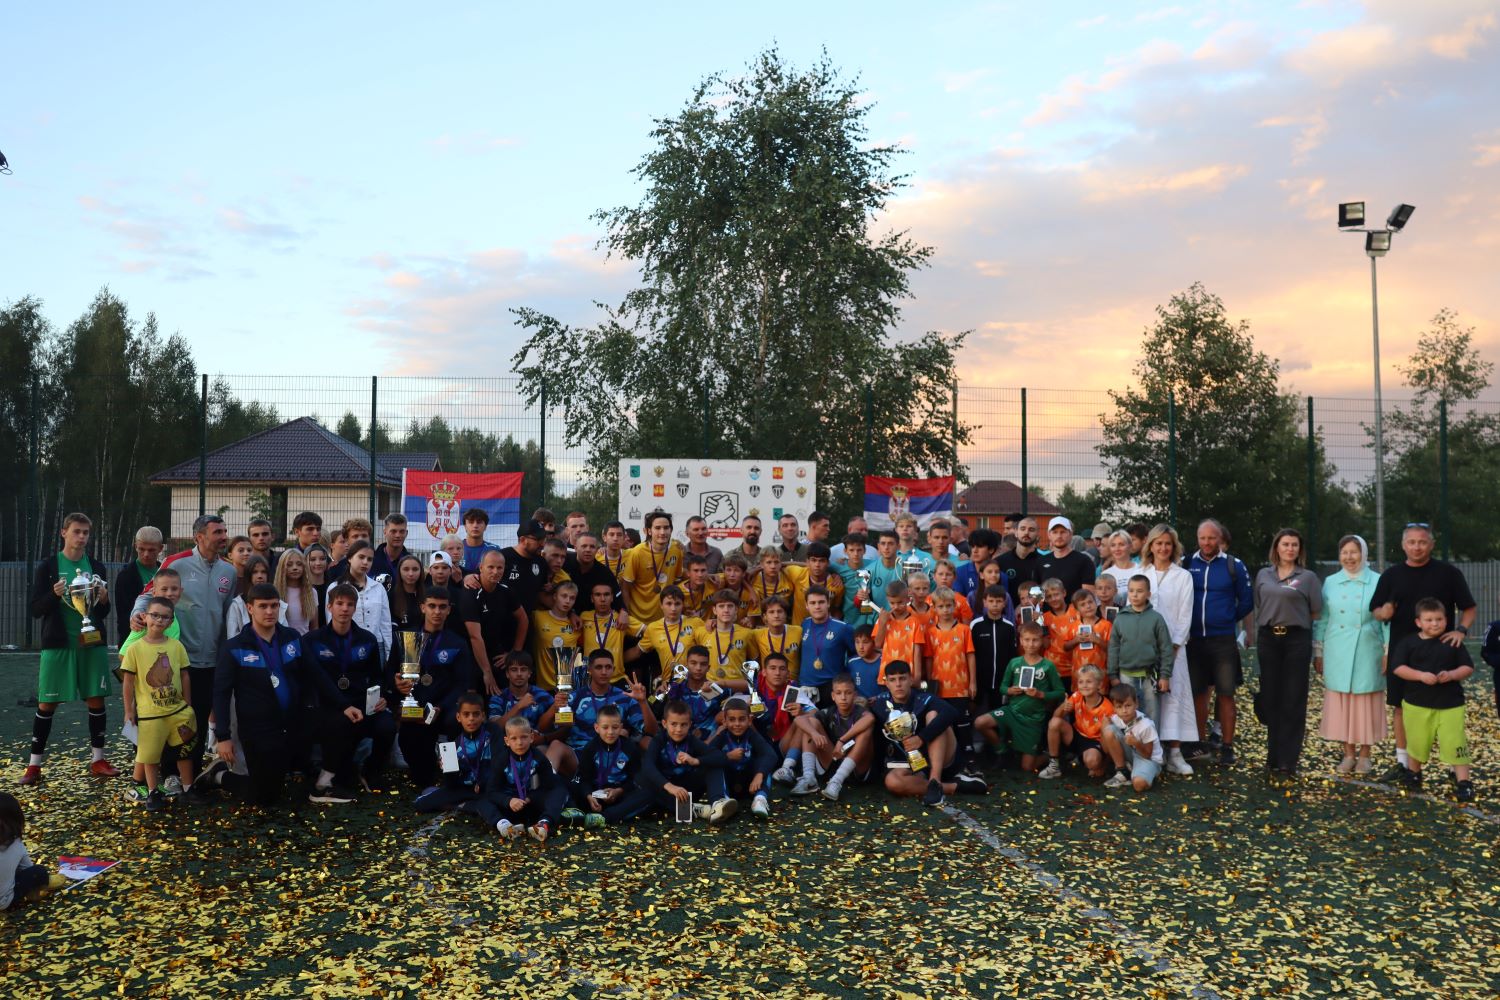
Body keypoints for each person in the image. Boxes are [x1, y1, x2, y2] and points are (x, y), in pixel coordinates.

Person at [1370, 522, 1476, 783]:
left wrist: (1461, 631)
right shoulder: (1391, 575)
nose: (1417, 547)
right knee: (1400, 707)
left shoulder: (1449, 573)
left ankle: (1453, 768)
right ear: (1403, 545)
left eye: (1422, 542)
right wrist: (1384, 612)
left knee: (1446, 710)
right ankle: (1405, 764)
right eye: (1411, 542)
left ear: (1431, 544)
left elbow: (1469, 607)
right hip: (1403, 654)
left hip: (1442, 655)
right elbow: (1376, 610)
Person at [23, 513, 118, 785]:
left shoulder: (96, 566)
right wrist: (53, 595)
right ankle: (34, 766)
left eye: (86, 532)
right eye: (77, 531)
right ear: (64, 532)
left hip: (91, 643)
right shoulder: (48, 566)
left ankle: (98, 760)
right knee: (47, 703)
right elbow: (35, 609)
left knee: (96, 699)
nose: (82, 537)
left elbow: (103, 611)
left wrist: (104, 599)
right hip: (58, 645)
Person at [200, 584, 307, 806]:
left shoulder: (292, 638)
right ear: (250, 608)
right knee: (262, 798)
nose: (269, 611)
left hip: (289, 725)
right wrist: (223, 736)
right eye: (263, 606)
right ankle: (220, 776)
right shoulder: (234, 647)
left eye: (274, 606)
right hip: (256, 730)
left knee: (276, 789)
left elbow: (311, 675)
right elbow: (221, 693)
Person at [157, 514, 236, 776]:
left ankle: (192, 775)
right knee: (174, 717)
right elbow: (148, 594)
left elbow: (227, 615)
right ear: (199, 537)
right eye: (217, 532)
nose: (224, 536)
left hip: (211, 660)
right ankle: (169, 774)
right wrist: (137, 615)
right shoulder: (176, 563)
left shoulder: (229, 571)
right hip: (178, 659)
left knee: (199, 719)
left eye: (224, 531)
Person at [305, 583, 396, 801]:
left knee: (387, 725)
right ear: (329, 607)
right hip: (329, 705)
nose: (344, 609)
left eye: (350, 604)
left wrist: (381, 697)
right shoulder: (312, 640)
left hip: (361, 703)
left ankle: (370, 771)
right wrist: (343, 705)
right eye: (339, 603)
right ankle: (328, 780)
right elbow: (318, 680)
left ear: (355, 608)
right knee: (342, 723)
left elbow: (376, 676)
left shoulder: (367, 639)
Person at [1250, 529, 1323, 777]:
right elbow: (1260, 603)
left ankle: (1287, 761)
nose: (1290, 549)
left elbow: (1315, 611)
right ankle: (1272, 756)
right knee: (1271, 698)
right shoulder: (1264, 575)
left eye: (1294, 545)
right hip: (1269, 638)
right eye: (1285, 544)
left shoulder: (1308, 577)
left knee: (1293, 699)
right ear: (1277, 548)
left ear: (1299, 549)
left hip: (1296, 640)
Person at [1314, 536, 1388, 774]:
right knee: (1343, 701)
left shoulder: (1378, 581)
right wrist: (1319, 651)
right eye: (1344, 552)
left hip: (1368, 647)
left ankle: (1365, 755)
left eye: (1354, 552)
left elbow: (1386, 621)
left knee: (1365, 702)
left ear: (1364, 554)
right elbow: (1323, 618)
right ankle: (1348, 754)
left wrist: (1387, 650)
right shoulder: (1330, 582)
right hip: (1337, 648)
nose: (1349, 557)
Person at [1183, 519, 1253, 766]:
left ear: (1219, 539)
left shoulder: (1234, 565)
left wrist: (1226, 619)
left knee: (1225, 694)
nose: (1207, 542)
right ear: (1197, 538)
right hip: (1194, 640)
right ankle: (1200, 743)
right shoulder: (1187, 563)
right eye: (1202, 538)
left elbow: (1247, 600)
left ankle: (1227, 746)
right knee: (1198, 694)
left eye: (1211, 538)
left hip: (1223, 641)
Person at [1390, 599, 1475, 801]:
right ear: (1418, 622)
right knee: (1417, 741)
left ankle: (1464, 782)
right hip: (1417, 704)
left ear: (1446, 620)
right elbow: (1398, 668)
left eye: (1439, 619)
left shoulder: (1453, 642)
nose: (1435, 623)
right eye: (1429, 620)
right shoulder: (1408, 643)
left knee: (1455, 742)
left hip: (1451, 705)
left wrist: (1452, 675)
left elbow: (1467, 667)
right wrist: (1420, 676)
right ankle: (1414, 774)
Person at [119, 596, 199, 811]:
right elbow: (128, 682)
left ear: (171, 622)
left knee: (184, 751)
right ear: (145, 617)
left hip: (177, 711)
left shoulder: (176, 646)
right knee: (150, 755)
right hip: (150, 715)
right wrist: (128, 711)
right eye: (154, 615)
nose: (159, 620)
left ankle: (188, 788)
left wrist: (188, 704)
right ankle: (153, 792)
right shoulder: (135, 649)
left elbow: (184, 675)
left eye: (165, 617)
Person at [388, 588, 471, 789]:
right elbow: (389, 673)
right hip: (415, 706)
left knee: (454, 723)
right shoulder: (407, 638)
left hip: (444, 707)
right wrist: (396, 683)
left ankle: (451, 774)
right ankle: (425, 773)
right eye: (432, 606)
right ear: (423, 607)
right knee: (415, 759)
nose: (437, 611)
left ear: (449, 610)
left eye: (442, 607)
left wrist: (441, 706)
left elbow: (463, 683)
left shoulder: (457, 642)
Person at [869, 660, 984, 805]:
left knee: (934, 715)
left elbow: (951, 712)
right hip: (914, 765)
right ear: (886, 683)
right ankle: (955, 786)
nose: (898, 684)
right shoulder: (880, 703)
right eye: (893, 680)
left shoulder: (923, 698)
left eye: (902, 678)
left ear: (911, 680)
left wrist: (921, 738)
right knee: (892, 782)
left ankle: (935, 780)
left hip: (941, 760)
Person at [1141, 524, 1198, 775]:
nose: (1163, 548)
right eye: (1159, 543)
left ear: (1174, 547)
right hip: (1144, 649)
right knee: (1148, 698)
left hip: (1174, 649)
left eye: (1168, 544)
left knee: (1174, 697)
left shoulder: (1183, 576)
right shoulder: (1141, 573)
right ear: (1151, 546)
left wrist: (1173, 646)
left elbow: (1186, 614)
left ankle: (1175, 754)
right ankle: (1150, 753)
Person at [975, 621, 1064, 773]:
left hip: (1033, 720)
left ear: (1042, 641)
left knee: (1027, 768)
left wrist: (1040, 694)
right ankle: (1002, 751)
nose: (1031, 644)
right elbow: (1002, 688)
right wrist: (1010, 690)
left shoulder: (1048, 666)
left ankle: (1048, 755)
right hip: (1012, 712)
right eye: (1027, 640)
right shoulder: (1014, 663)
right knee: (980, 722)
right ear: (1021, 641)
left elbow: (1060, 692)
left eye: (1035, 640)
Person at [639, 700, 738, 824]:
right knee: (645, 778)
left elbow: (718, 757)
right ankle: (692, 809)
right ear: (664, 723)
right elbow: (648, 766)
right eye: (674, 724)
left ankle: (717, 804)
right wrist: (670, 787)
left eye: (683, 725)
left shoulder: (691, 740)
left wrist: (695, 760)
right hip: (667, 790)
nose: (678, 729)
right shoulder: (658, 740)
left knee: (713, 764)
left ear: (690, 724)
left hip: (687, 791)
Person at [413, 693, 503, 825]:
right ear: (458, 717)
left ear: (483, 716)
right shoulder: (455, 744)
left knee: (498, 803)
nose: (471, 719)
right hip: (464, 789)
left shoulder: (493, 731)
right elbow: (452, 784)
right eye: (466, 714)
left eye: (476, 714)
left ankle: (465, 805)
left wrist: (483, 783)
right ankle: (465, 806)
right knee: (421, 804)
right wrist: (447, 769)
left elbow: (499, 763)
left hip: (490, 788)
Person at [564, 704, 652, 828]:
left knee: (648, 792)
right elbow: (584, 779)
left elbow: (635, 780)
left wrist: (619, 791)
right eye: (605, 727)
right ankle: (577, 812)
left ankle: (603, 818)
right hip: (595, 794)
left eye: (615, 727)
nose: (610, 732)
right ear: (597, 728)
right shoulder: (590, 748)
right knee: (569, 784)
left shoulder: (630, 748)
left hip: (620, 795)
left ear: (620, 727)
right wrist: (589, 795)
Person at [792, 672, 877, 801]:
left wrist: (842, 740)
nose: (843, 697)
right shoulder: (829, 711)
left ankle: (836, 781)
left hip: (857, 767)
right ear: (833, 696)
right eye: (838, 693)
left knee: (866, 729)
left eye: (848, 693)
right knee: (811, 723)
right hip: (833, 759)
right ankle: (809, 778)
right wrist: (814, 733)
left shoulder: (861, 712)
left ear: (855, 695)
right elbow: (799, 720)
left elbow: (870, 719)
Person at [485, 717, 567, 842]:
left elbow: (548, 786)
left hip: (532, 803)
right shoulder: (501, 760)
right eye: (514, 738)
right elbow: (492, 791)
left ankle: (543, 824)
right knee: (483, 801)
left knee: (559, 790)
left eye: (524, 737)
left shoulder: (539, 758)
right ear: (507, 741)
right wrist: (508, 801)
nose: (519, 742)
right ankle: (505, 826)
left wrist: (530, 798)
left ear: (531, 737)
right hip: (510, 806)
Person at [923, 587, 976, 771]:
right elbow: (929, 659)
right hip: (939, 688)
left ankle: (969, 762)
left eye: (948, 606)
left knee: (963, 725)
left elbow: (970, 656)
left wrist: (972, 682)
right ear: (934, 608)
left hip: (960, 687)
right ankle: (948, 763)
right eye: (941, 606)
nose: (945, 610)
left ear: (954, 606)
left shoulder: (964, 630)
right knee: (943, 726)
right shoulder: (930, 632)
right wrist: (930, 684)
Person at [1107, 575, 1173, 723]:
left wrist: (1165, 676)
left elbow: (1166, 648)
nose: (1135, 595)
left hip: (1150, 676)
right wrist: (1112, 675)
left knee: (1152, 717)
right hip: (1125, 676)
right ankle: (1130, 740)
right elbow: (1113, 647)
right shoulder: (1121, 618)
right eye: (1131, 591)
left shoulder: (1156, 618)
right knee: (1127, 716)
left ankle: (1153, 739)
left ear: (1148, 594)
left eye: (1140, 591)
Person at [464, 550, 527, 696]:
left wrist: (515, 652)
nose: (495, 571)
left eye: (499, 568)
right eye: (490, 567)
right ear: (481, 568)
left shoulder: (506, 591)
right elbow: (475, 637)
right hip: (470, 655)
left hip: (496, 654)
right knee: (474, 701)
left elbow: (523, 619)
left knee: (501, 696)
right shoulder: (471, 594)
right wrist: (487, 672)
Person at [1040, 664, 1114, 780]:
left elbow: (1112, 740)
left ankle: (1091, 763)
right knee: (1054, 722)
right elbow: (1055, 718)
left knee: (1093, 763)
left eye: (1089, 682)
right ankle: (1054, 766)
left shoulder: (1108, 708)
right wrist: (1063, 707)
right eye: (1081, 682)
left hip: (1094, 742)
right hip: (1076, 735)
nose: (1084, 685)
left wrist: (1103, 766)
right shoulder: (1076, 696)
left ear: (1099, 685)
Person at [711, 697, 779, 817]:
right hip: (729, 782)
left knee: (764, 763)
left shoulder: (752, 735)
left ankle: (760, 799)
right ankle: (722, 802)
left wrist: (759, 775)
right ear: (724, 722)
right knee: (714, 765)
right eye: (732, 719)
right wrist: (727, 756)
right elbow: (707, 756)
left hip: (751, 785)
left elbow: (771, 754)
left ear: (749, 720)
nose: (737, 724)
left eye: (742, 719)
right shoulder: (722, 736)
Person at [0, 794, 66, 908]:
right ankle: (39, 888)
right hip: (3, 901)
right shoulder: (16, 843)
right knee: (39, 872)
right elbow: (27, 868)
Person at [619, 511, 684, 623]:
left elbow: (677, 582)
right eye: (657, 528)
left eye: (666, 528)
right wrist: (626, 612)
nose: (662, 532)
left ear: (671, 530)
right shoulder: (637, 552)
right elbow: (625, 587)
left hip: (664, 619)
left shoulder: (676, 550)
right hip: (638, 617)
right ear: (649, 531)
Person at [797, 586, 856, 704]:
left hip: (831, 688)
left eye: (821, 602)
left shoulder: (843, 628)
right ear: (806, 605)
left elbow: (855, 656)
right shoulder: (804, 624)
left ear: (828, 603)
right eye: (812, 603)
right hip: (805, 687)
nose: (817, 606)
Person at [639, 586, 707, 687]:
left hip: (694, 683)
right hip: (667, 684)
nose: (673, 608)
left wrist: (714, 621)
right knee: (655, 697)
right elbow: (638, 650)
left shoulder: (696, 623)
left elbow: (711, 647)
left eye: (677, 604)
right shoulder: (652, 628)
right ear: (661, 605)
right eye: (669, 603)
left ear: (683, 605)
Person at [1101, 683, 1162, 792]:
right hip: (1131, 756)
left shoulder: (1146, 725)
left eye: (1128, 705)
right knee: (1109, 730)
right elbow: (1106, 749)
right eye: (1119, 707)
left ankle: (1147, 773)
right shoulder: (1115, 719)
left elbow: (1148, 755)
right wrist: (1103, 729)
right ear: (1114, 708)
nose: (1124, 711)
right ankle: (1123, 772)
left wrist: (1136, 743)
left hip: (1148, 759)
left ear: (1136, 704)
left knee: (1139, 785)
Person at [970, 584, 1018, 717]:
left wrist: (1011, 681)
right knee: (977, 716)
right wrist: (972, 681)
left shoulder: (1009, 627)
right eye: (991, 601)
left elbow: (1012, 656)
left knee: (998, 718)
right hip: (980, 682)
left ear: (1004, 603)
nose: (995, 605)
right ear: (984, 602)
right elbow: (970, 654)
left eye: (998, 601)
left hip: (1002, 683)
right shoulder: (976, 625)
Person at [113, 525, 164, 640]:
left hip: (163, 636)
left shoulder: (166, 572)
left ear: (160, 548)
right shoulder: (125, 576)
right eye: (141, 549)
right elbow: (123, 615)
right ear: (136, 546)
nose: (146, 554)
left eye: (151, 550)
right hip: (136, 637)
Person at [873, 579, 925, 686]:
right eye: (892, 603)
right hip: (887, 677)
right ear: (887, 600)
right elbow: (877, 644)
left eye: (900, 602)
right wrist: (883, 624)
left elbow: (917, 652)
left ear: (907, 599)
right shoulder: (882, 620)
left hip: (907, 677)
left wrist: (917, 676)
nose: (896, 607)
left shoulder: (915, 622)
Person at [530, 580, 579, 691]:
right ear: (555, 596)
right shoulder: (537, 617)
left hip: (566, 687)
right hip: (542, 687)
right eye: (564, 596)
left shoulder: (577, 625)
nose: (567, 601)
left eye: (572, 598)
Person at [226, 555, 286, 638]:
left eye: (263, 572)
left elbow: (285, 634)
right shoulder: (237, 605)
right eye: (255, 572)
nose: (260, 576)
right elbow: (232, 638)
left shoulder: (278, 603)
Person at [1037, 517, 1095, 599]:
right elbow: (1036, 594)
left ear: (1071, 534)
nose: (1059, 536)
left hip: (1075, 607)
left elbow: (1088, 596)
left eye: (1063, 532)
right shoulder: (1041, 561)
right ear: (1049, 535)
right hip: (1047, 607)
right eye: (1055, 532)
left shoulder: (1084, 561)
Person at [750, 596, 802, 683]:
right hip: (768, 685)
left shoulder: (798, 631)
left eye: (780, 611)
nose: (776, 615)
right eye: (771, 612)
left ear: (785, 614)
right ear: (764, 617)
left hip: (793, 684)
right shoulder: (756, 634)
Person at [996, 516, 1042, 605]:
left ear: (1037, 535)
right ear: (1016, 532)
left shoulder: (1043, 562)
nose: (1026, 532)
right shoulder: (1000, 562)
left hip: (1036, 612)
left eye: (1031, 530)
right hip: (1007, 611)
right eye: (1022, 529)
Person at [275, 548, 319, 635]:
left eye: (299, 564)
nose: (295, 568)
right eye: (289, 564)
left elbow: (314, 627)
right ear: (282, 567)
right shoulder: (275, 592)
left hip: (305, 641)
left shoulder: (312, 592)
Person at [387, 554, 426, 635]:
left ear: (421, 571)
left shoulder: (427, 596)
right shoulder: (391, 597)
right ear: (399, 571)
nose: (411, 574)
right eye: (406, 569)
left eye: (415, 569)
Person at [459, 508, 502, 580]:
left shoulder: (494, 549)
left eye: (479, 522)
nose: (475, 525)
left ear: (485, 527)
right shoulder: (455, 548)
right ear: (465, 526)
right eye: (471, 522)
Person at [1096, 530, 1138, 598]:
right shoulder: (1106, 574)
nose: (1117, 549)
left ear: (1130, 546)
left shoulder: (1142, 570)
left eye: (1121, 544)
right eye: (1113, 545)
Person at [372, 513, 411, 582]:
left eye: (402, 531)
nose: (397, 535)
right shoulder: (372, 559)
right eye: (393, 531)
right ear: (385, 532)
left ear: (406, 533)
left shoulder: (411, 561)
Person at [846, 625, 882, 699]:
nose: (861, 647)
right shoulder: (852, 663)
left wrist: (878, 698)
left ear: (874, 643)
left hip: (881, 702)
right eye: (857, 642)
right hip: (859, 703)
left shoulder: (883, 661)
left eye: (865, 642)